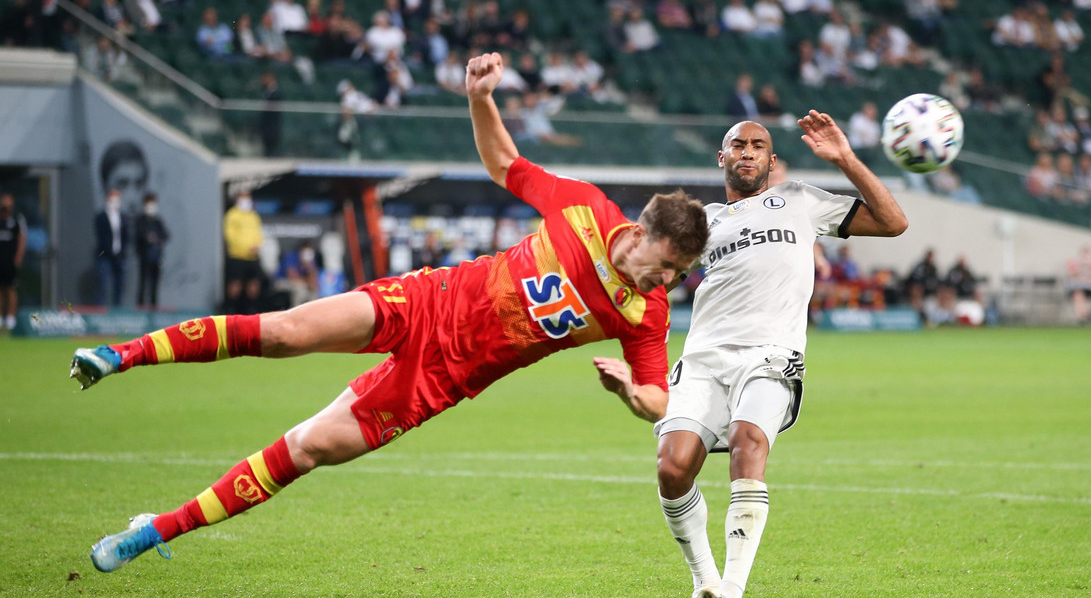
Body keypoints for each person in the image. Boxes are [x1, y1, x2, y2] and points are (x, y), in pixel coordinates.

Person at [69, 51, 709, 576]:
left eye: (679, 274)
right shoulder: (582, 208)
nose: (670, 280)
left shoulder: (643, 312)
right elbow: (505, 165)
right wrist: (480, 97)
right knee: (284, 332)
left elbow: (659, 397)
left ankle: (155, 530)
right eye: (670, 264)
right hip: (426, 301)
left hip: (442, 381)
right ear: (645, 231)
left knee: (310, 446)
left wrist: (632, 392)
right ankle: (118, 355)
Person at [631, 113, 907, 598]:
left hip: (770, 353)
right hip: (703, 358)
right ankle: (705, 582)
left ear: (771, 159)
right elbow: (651, 276)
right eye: (738, 145)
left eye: (759, 145)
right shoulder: (703, 222)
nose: (748, 152)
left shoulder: (800, 200)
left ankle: (733, 588)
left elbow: (893, 221)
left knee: (748, 439)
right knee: (672, 468)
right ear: (722, 157)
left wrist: (844, 157)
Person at [223, 191, 264, 314]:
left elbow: (258, 233)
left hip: (253, 257)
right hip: (237, 256)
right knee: (235, 285)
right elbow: (230, 235)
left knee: (254, 285)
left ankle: (251, 311)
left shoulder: (253, 216)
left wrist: (257, 245)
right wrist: (244, 248)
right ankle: (230, 310)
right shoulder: (232, 215)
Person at [94, 188, 132, 306]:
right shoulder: (101, 217)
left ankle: (117, 308)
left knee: (119, 284)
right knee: (103, 283)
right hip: (105, 255)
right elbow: (101, 235)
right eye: (112, 200)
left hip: (119, 256)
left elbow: (126, 236)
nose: (115, 202)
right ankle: (101, 309)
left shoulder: (123, 218)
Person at [134, 193, 169, 309]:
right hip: (144, 257)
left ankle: (154, 308)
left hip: (156, 257)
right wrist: (146, 238)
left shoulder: (157, 221)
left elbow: (166, 235)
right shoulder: (141, 221)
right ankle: (140, 307)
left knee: (154, 285)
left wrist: (156, 238)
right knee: (143, 283)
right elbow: (139, 235)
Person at [0, 193, 26, 330]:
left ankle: (10, 319)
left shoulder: (16, 221)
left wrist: (18, 257)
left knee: (10, 289)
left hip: (10, 261)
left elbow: (22, 239)